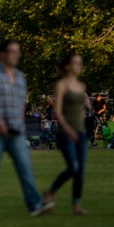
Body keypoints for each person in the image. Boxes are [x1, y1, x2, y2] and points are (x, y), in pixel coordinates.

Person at [0, 39, 51, 217]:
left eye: (17, 51)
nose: (15, 55)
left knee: (25, 166)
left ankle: (34, 205)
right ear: (2, 54)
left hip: (16, 131)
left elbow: (22, 104)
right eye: (12, 51)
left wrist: (19, 123)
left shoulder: (20, 76)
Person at [42, 54, 91, 215]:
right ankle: (50, 192)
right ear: (67, 66)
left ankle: (76, 205)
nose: (79, 66)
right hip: (65, 133)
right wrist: (68, 130)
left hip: (80, 132)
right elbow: (57, 112)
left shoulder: (81, 86)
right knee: (73, 167)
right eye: (75, 63)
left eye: (80, 63)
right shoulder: (61, 85)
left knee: (81, 170)